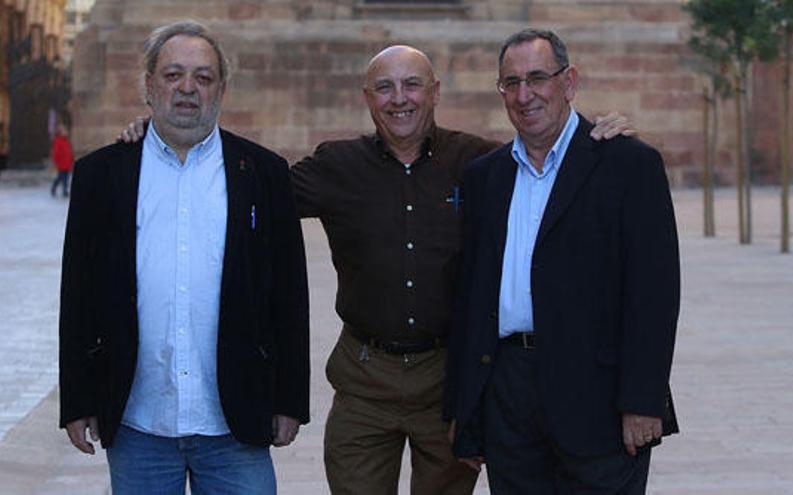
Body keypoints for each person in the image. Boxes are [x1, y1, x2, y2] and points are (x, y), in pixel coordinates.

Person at [120, 44, 632, 494]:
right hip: (364, 378)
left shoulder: (481, 164)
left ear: (434, 92)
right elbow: (245, 185)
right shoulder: (335, 167)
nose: (399, 98)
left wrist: (599, 137)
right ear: (367, 98)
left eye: (412, 85)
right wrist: (162, 134)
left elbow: (551, 169)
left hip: (446, 379)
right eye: (384, 88)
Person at [59, 21, 310, 494]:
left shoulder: (263, 172)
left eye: (203, 76)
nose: (188, 88)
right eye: (173, 75)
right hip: (138, 423)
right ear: (149, 85)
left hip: (235, 422)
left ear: (222, 88)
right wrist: (76, 399)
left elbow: (290, 296)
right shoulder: (101, 174)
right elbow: (77, 294)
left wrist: (290, 399)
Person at [446, 28, 680, 494]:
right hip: (509, 397)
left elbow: (654, 293)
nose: (524, 94)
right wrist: (466, 409)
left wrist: (643, 400)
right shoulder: (484, 177)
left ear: (569, 82)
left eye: (537, 78)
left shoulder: (628, 165)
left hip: (600, 397)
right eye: (510, 83)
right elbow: (471, 297)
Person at [50, 122, 74, 197]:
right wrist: (56, 162)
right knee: (62, 178)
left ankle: (61, 189)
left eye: (66, 131)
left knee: (64, 178)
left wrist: (71, 161)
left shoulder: (66, 141)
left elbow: (69, 152)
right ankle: (62, 190)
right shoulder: (58, 141)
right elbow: (56, 153)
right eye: (64, 131)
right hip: (61, 163)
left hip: (67, 163)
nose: (66, 132)